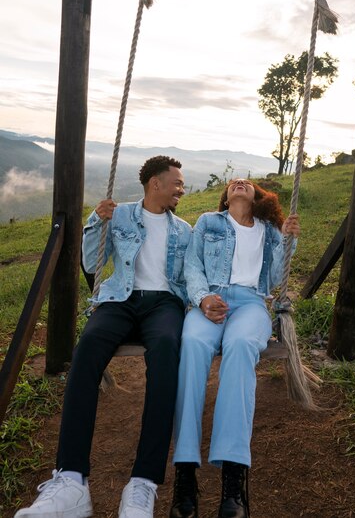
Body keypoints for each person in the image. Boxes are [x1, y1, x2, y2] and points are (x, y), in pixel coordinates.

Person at [15, 156, 192, 518]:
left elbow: (189, 278)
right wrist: (97, 222)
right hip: (119, 299)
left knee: (166, 351)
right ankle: (71, 480)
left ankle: (143, 481)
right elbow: (93, 264)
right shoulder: (121, 215)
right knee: (88, 348)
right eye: (176, 182)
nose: (181, 189)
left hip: (164, 305)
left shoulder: (184, 230)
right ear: (155, 183)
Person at [170, 178, 300, 518]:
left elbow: (272, 279)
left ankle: (234, 478)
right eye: (232, 183)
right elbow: (192, 266)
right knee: (193, 343)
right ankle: (185, 473)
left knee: (241, 345)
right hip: (210, 299)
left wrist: (287, 240)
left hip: (251, 304)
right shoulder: (208, 222)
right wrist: (201, 299)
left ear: (256, 196)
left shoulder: (269, 229)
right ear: (226, 197)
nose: (239, 182)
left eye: (246, 182)